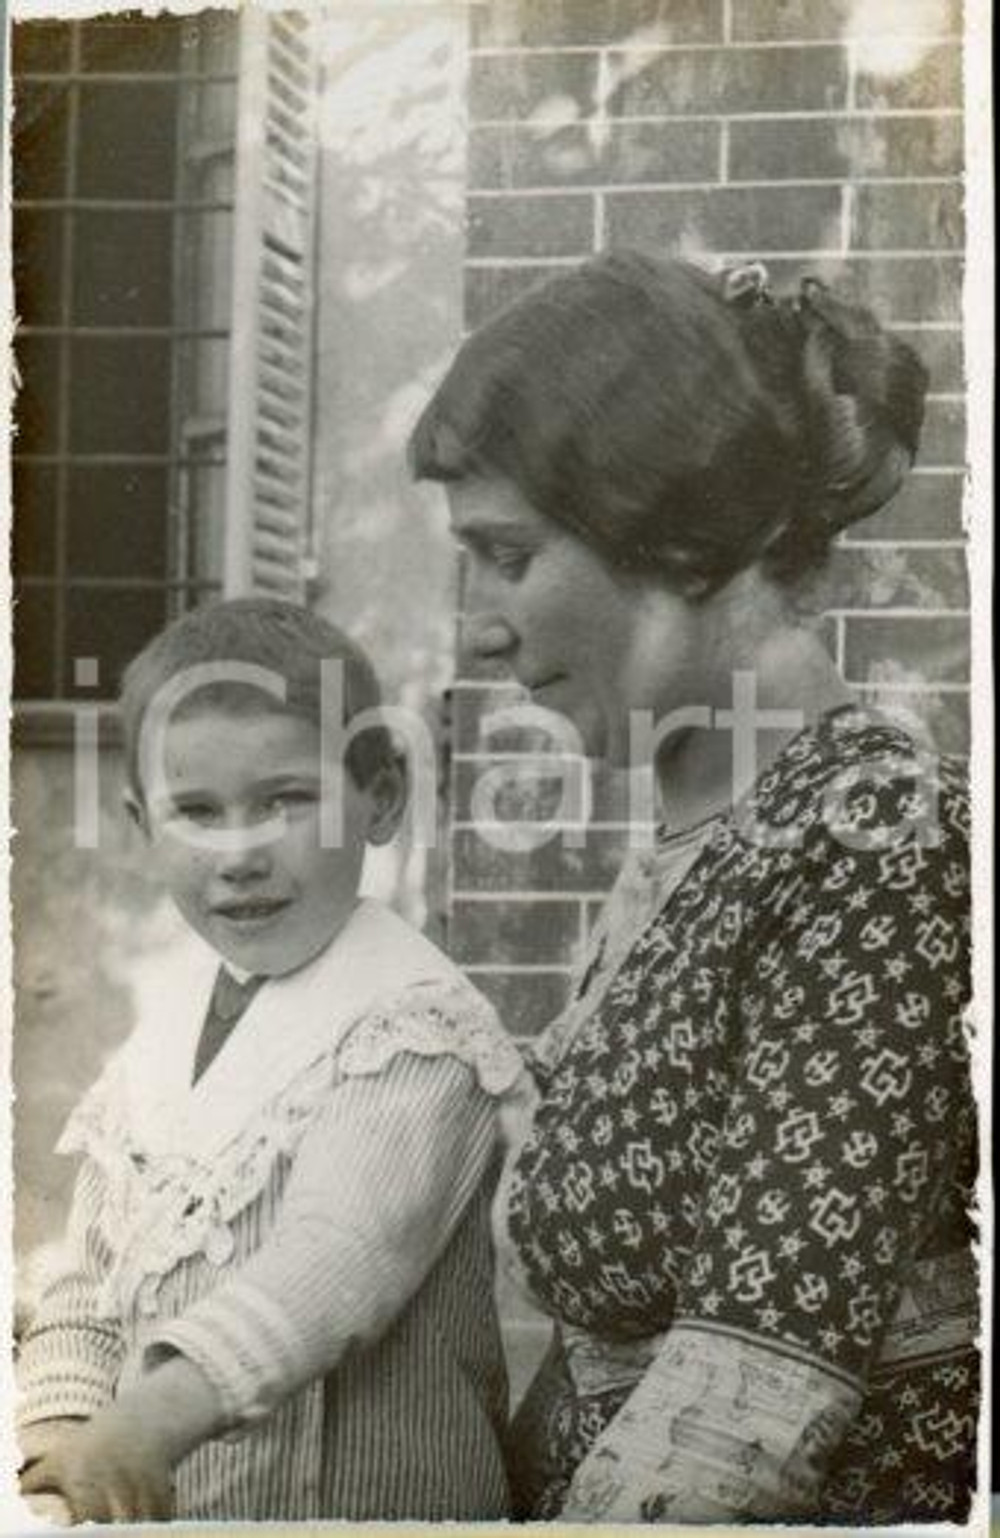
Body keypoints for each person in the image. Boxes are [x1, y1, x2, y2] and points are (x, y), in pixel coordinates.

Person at [409, 251, 977, 1525]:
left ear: (670, 532)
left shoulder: (874, 841)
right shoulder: (708, 833)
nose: (480, 626)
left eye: (506, 556)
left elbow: (740, 1418)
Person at [16, 597, 522, 1523]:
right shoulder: (163, 1023)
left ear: (381, 797)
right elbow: (86, 1277)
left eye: (286, 801)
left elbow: (333, 1262)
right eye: (196, 812)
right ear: (142, 822)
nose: (240, 853)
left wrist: (145, 1422)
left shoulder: (411, 1024)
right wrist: (59, 1445)